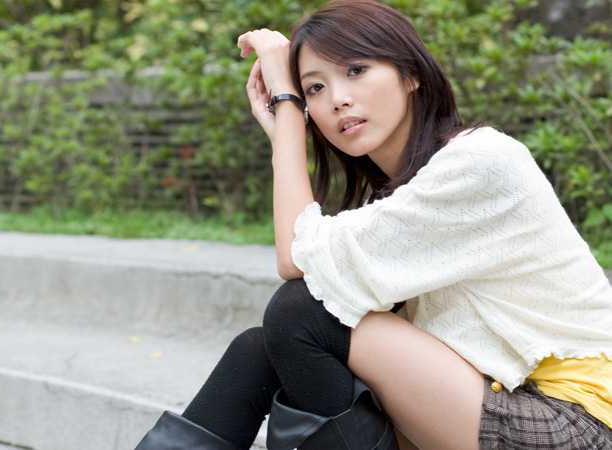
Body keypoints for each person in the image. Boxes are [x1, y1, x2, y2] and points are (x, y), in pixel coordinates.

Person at [133, 1, 612, 449]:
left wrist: (286, 117)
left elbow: (296, 261)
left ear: (410, 74)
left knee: (302, 312)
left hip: (577, 422)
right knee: (259, 349)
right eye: (314, 89)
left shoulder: (481, 162)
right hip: (498, 394)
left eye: (356, 71)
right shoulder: (400, 193)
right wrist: (290, 117)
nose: (338, 99)